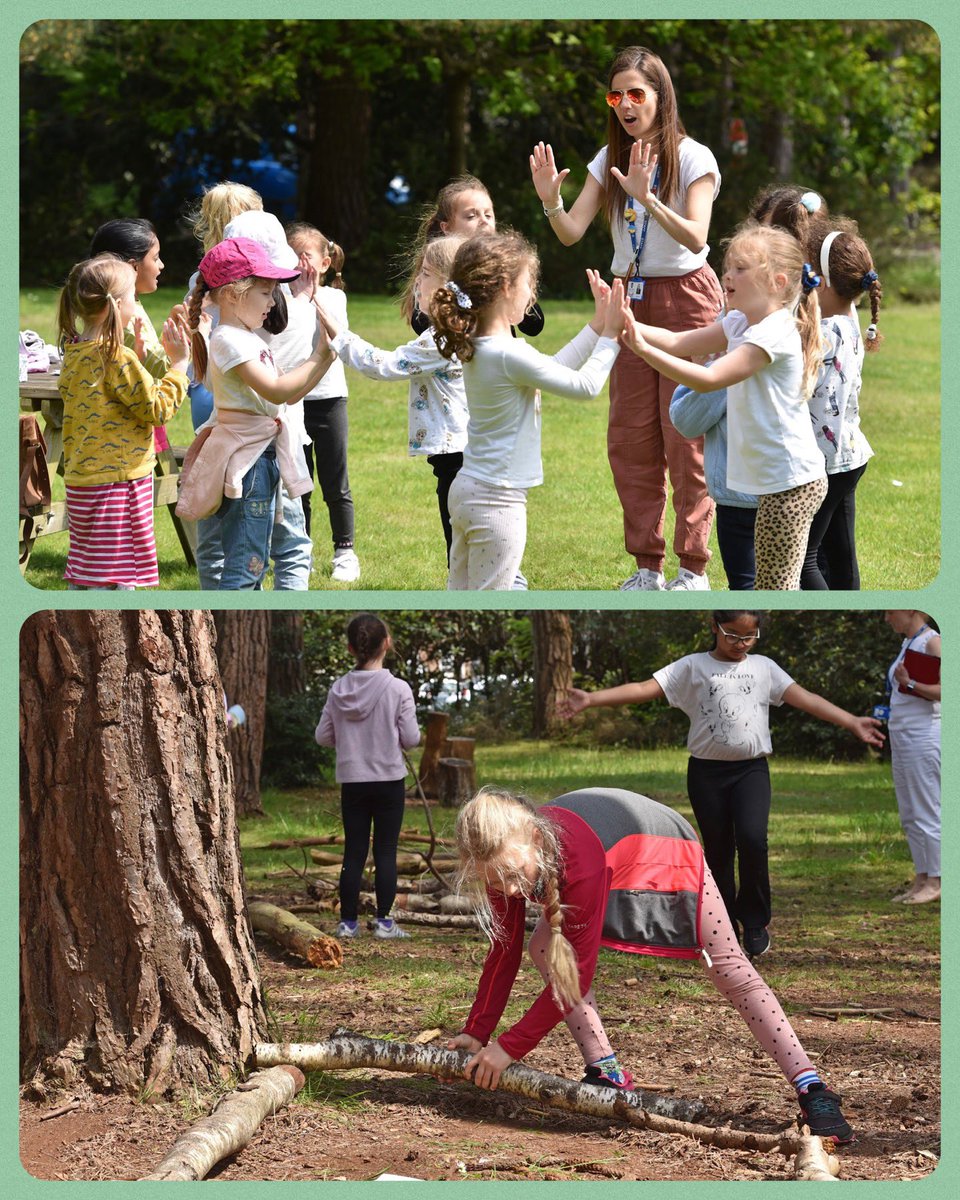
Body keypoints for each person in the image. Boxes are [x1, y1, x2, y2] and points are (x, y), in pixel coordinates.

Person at [447, 785, 857, 1144]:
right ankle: (606, 1071)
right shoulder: (501, 861)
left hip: (660, 845)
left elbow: (578, 974)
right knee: (543, 946)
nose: (513, 890)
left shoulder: (575, 860)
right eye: (499, 882)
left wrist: (510, 1047)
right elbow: (503, 951)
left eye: (515, 875)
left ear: (535, 839)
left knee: (727, 965)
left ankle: (811, 1086)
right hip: (607, 852)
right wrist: (477, 1031)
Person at [559, 611, 885, 957]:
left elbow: (805, 698)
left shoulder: (764, 667)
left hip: (751, 772)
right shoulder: (693, 666)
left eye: (749, 637)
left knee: (753, 839)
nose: (741, 644)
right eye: (733, 635)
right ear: (715, 627)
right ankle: (724, 923)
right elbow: (645, 688)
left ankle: (756, 920)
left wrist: (851, 722)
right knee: (718, 850)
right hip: (706, 774)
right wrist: (591, 699)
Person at [530, 45, 722, 591]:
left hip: (687, 299)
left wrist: (649, 198)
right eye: (616, 96)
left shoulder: (693, 157)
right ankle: (646, 568)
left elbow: (698, 236)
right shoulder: (606, 158)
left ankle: (693, 568)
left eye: (636, 94)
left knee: (683, 434)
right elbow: (570, 232)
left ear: (661, 96)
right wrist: (550, 201)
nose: (625, 105)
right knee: (631, 437)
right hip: (627, 297)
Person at [622, 222, 827, 590]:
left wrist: (642, 350)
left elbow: (709, 379)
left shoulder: (773, 333)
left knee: (775, 590)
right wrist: (626, 323)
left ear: (778, 282)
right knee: (771, 586)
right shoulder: (739, 322)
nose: (726, 275)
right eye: (727, 267)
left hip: (792, 485)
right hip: (777, 484)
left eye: (740, 269)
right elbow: (678, 339)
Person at [431, 231, 626, 590]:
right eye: (528, 283)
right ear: (505, 286)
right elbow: (585, 386)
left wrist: (596, 327)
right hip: (497, 504)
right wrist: (612, 336)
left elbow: (547, 368)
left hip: (468, 490)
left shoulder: (480, 344)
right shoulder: (508, 353)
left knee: (459, 595)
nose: (532, 293)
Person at [181, 237, 333, 589]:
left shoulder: (248, 337)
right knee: (248, 564)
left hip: (256, 456)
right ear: (234, 293)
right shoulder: (230, 340)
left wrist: (325, 355)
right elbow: (277, 390)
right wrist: (320, 356)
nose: (273, 302)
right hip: (248, 461)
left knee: (246, 558)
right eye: (266, 293)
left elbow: (288, 396)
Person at [315, 235, 468, 565]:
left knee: (461, 548)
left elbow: (382, 365)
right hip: (465, 456)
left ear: (449, 285)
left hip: (458, 460)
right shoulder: (467, 326)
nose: (417, 281)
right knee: (468, 545)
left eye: (426, 274)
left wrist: (339, 335)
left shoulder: (443, 339)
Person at [55, 254, 190, 588]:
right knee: (119, 581)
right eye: (133, 296)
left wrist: (140, 362)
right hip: (120, 484)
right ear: (116, 305)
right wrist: (180, 365)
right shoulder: (117, 356)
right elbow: (157, 408)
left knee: (88, 573)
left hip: (83, 482)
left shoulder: (74, 353)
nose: (137, 303)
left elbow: (110, 401)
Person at [315, 613, 421, 939]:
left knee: (354, 850)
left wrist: (347, 740)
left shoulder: (338, 689)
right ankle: (385, 922)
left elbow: (322, 736)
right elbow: (412, 738)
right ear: (386, 643)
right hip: (389, 779)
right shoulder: (398, 689)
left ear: (350, 648)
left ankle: (348, 923)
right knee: (386, 851)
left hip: (353, 780)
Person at [800, 222, 881, 589]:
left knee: (805, 559)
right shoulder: (850, 321)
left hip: (826, 463)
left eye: (809, 274)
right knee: (840, 554)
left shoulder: (828, 331)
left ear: (826, 282)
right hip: (850, 457)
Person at [285, 222, 360, 582]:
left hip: (329, 400)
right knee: (299, 482)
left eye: (306, 257)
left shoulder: (334, 298)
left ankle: (345, 551)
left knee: (336, 481)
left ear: (325, 262)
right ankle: (302, 550)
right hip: (293, 400)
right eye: (291, 257)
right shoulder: (278, 300)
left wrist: (311, 294)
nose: (299, 265)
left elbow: (335, 338)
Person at [402, 175, 545, 339]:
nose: (484, 221)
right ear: (446, 227)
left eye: (488, 215)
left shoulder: (501, 266)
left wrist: (508, 278)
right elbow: (420, 323)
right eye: (471, 216)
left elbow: (534, 325)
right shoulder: (437, 264)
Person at [89, 217, 174, 453]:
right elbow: (160, 367)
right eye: (155, 258)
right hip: (131, 421)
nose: (161, 265)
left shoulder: (120, 306)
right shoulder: (124, 316)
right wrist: (187, 334)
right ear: (133, 267)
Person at [884, 611, 940, 904]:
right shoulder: (908, 642)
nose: (886, 618)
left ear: (912, 611)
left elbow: (946, 691)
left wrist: (911, 683)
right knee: (910, 812)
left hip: (924, 736)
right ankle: (922, 875)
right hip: (902, 735)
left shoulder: (933, 643)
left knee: (928, 808)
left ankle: (938, 879)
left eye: (890, 611)